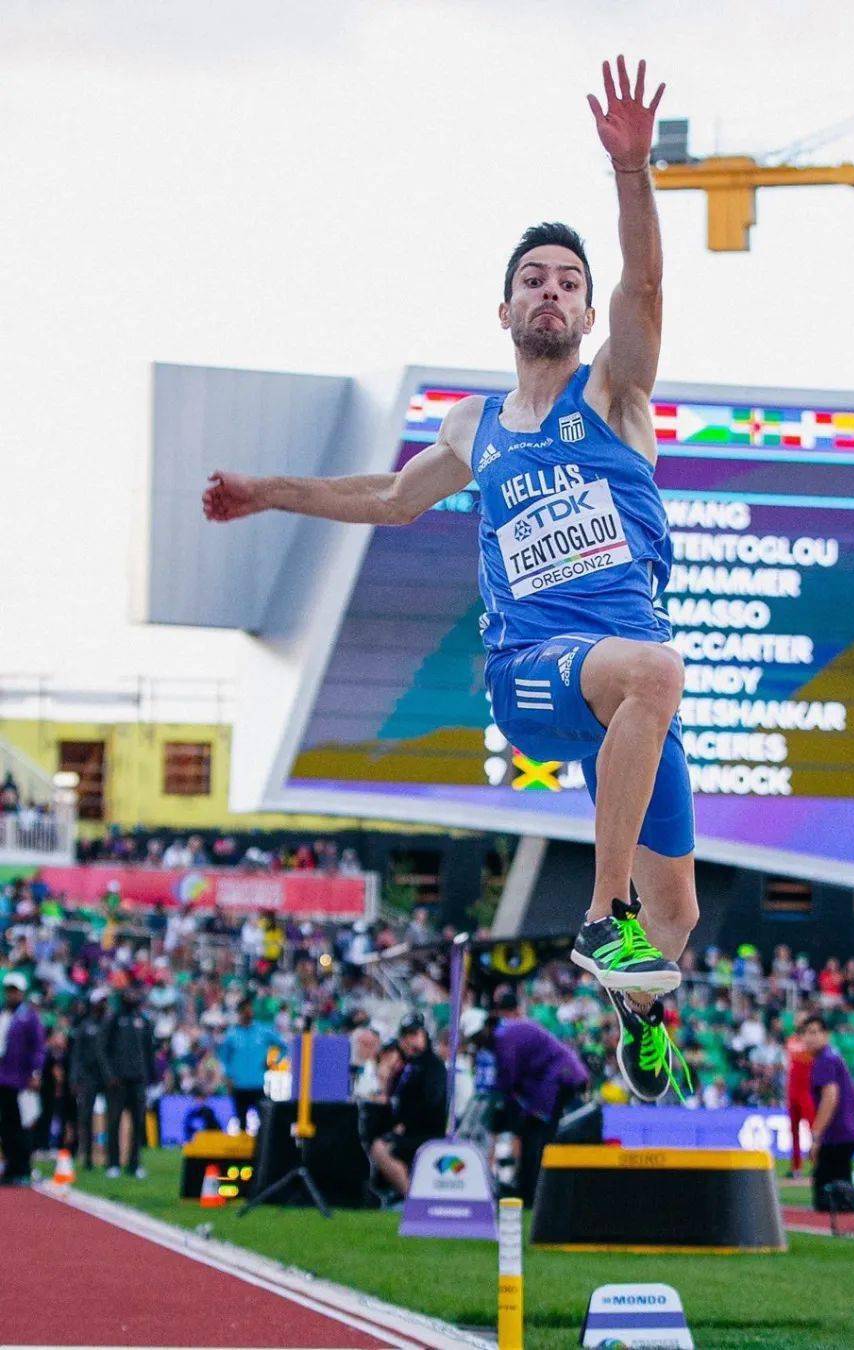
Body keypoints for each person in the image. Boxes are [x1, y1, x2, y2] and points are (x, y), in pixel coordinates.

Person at [203, 56, 696, 1103]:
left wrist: (631, 173)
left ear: (586, 313)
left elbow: (647, 285)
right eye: (536, 279)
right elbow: (389, 498)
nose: (553, 290)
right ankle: (601, 919)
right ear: (505, 308)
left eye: (570, 282)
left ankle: (640, 1006)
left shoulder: (616, 394)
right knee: (658, 671)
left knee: (682, 917)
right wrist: (267, 491)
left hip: (621, 686)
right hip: (533, 669)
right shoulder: (475, 425)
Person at [462, 990, 589, 1205]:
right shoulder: (505, 1034)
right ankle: (531, 1188)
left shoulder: (503, 1038)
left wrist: (502, 1107)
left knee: (536, 1134)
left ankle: (534, 1192)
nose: (477, 1042)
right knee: (533, 1132)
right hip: (552, 1080)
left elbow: (507, 1079)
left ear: (486, 1028)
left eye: (477, 1037)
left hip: (560, 1078)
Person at [368, 1014, 447, 1202]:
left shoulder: (432, 1066)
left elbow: (431, 1103)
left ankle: (411, 1197)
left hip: (425, 1133)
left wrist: (404, 1125)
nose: (410, 1041)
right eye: (406, 1036)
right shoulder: (407, 1066)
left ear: (424, 1035)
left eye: (415, 1035)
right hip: (408, 1130)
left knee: (380, 1149)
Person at [801, 1014, 854, 1212]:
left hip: (840, 1134)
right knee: (840, 1187)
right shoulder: (831, 1057)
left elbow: (830, 1097)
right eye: (806, 1033)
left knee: (825, 1195)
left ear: (826, 1035)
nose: (809, 1038)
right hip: (849, 1131)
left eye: (814, 1032)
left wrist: (816, 1135)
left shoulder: (824, 1060)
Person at [101, 982, 155, 1179]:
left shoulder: (143, 1020)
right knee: (114, 1122)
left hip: (138, 1079)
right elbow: (103, 1049)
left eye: (135, 992)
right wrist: (110, 1075)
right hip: (118, 1081)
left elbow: (149, 1051)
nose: (132, 996)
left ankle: (135, 1164)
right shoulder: (114, 1019)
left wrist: (149, 1076)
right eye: (129, 992)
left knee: (138, 1123)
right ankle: (113, 1163)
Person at [0, 972, 45, 1185]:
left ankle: (23, 1168)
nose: (11, 994)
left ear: (22, 992)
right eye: (9, 990)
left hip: (21, 1079)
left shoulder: (29, 1016)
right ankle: (10, 1167)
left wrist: (35, 1073)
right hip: (3, 1078)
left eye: (15, 990)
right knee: (6, 1125)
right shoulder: (3, 1014)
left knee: (23, 1124)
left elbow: (38, 1047)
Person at [218, 998, 284, 1131]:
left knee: (265, 1123)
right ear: (240, 1012)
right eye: (246, 1010)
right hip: (239, 1086)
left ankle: (262, 1145)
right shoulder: (232, 1035)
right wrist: (229, 1077)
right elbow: (224, 1059)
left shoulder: (263, 1031)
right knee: (242, 1123)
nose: (249, 1013)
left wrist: (272, 1062)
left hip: (258, 1085)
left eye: (250, 1010)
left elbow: (283, 1046)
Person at [70, 989, 112, 1171]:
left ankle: (111, 1157)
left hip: (108, 1077)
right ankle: (87, 1157)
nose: (104, 1004)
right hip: (88, 1076)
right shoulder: (85, 1026)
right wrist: (74, 1078)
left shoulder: (111, 1024)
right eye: (101, 1001)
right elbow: (76, 1054)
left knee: (112, 1117)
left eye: (105, 1001)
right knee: (86, 1117)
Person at [784, 1028, 815, 1179]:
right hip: (792, 1092)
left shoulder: (811, 1043)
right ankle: (796, 1167)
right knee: (793, 1131)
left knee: (813, 1130)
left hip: (806, 1092)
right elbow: (789, 1066)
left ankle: (816, 1164)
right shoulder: (790, 1040)